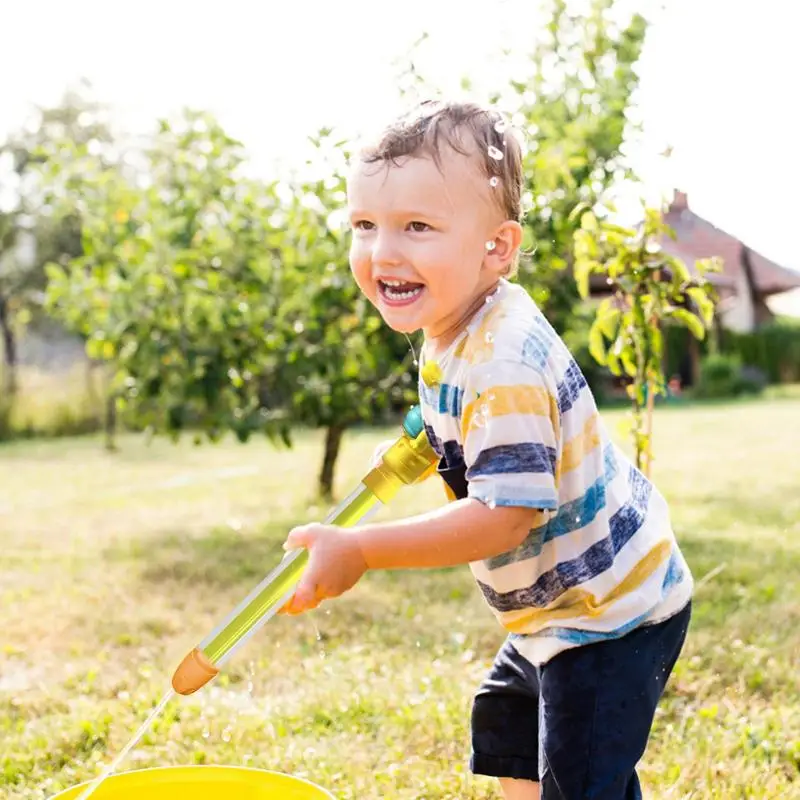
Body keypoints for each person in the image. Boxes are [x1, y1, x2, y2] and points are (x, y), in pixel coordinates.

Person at [280, 100, 693, 800]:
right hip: (555, 609)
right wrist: (427, 441)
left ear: (496, 248)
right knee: (506, 726)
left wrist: (362, 548)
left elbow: (505, 515)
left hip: (608, 612)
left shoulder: (504, 362)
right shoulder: (457, 320)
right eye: (365, 225)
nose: (384, 252)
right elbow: (464, 419)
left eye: (418, 226)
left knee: (580, 778)